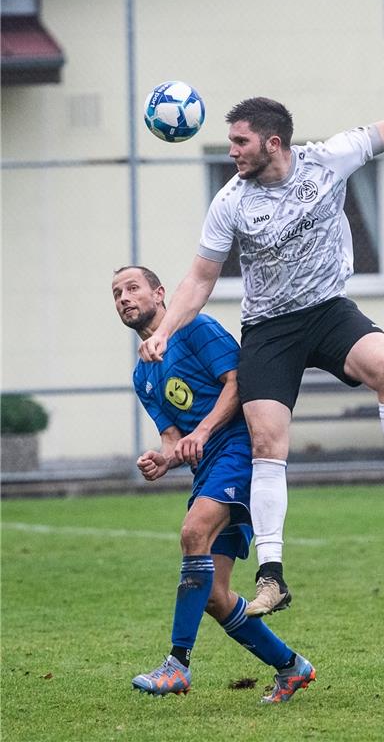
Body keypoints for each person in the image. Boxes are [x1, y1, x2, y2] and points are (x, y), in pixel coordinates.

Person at [137, 72, 384, 615]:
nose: (231, 151)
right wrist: (163, 331)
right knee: (267, 443)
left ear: (272, 143)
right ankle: (272, 576)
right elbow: (199, 280)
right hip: (270, 328)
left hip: (327, 311)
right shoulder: (230, 201)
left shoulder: (331, 157)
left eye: (239, 142)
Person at [112, 265, 314, 703]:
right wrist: (162, 460)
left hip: (241, 449)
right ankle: (292, 667)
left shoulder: (197, 328)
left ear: (160, 293)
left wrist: (202, 432)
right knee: (216, 596)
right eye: (116, 294)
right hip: (210, 469)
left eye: (132, 288)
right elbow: (172, 438)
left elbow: (239, 382)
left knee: (192, 532)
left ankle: (177, 665)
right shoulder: (142, 376)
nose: (123, 298)